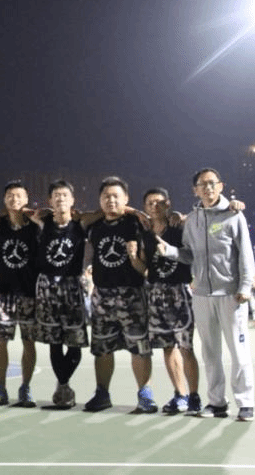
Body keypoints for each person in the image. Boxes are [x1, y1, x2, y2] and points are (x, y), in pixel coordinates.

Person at [161, 168, 255, 421]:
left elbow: (245, 252)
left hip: (231, 295)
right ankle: (217, 403)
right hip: (202, 295)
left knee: (238, 352)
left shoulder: (234, 215)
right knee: (210, 353)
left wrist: (245, 287)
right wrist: (169, 251)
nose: (208, 188)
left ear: (221, 186)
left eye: (212, 183)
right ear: (195, 190)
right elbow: (188, 255)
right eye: (202, 184)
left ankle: (246, 402)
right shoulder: (192, 220)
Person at [82, 177, 155, 413]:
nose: (111, 200)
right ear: (99, 200)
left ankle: (145, 395)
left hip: (131, 293)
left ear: (126, 199)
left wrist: (133, 212)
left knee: (139, 346)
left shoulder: (136, 223)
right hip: (102, 294)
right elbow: (79, 218)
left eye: (116, 196)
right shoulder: (94, 226)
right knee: (102, 348)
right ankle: (102, 394)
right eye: (106, 196)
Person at [141, 187, 201, 415]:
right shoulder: (145, 232)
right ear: (145, 208)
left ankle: (194, 396)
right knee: (167, 347)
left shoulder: (179, 227)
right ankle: (180, 394)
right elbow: (144, 265)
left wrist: (181, 217)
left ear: (168, 204)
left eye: (159, 202)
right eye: (150, 203)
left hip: (180, 291)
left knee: (186, 347)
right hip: (156, 293)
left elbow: (193, 253)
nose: (154, 206)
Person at [0, 181, 39, 408]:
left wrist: (28, 213)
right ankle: (0, 389)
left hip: (28, 293)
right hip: (5, 292)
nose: (14, 199)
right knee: (0, 341)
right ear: (4, 200)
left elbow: (53, 213)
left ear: (26, 199)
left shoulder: (35, 225)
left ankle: (25, 388)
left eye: (18, 196)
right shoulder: (0, 224)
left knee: (29, 341)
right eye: (10, 196)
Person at [35, 180, 89, 409]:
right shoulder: (42, 222)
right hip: (47, 286)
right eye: (56, 195)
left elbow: (106, 212)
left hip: (72, 287)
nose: (60, 199)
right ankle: (64, 388)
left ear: (72, 200)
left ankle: (63, 384)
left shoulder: (81, 225)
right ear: (50, 200)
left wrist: (137, 213)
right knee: (54, 343)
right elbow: (14, 210)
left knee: (75, 344)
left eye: (65, 195)